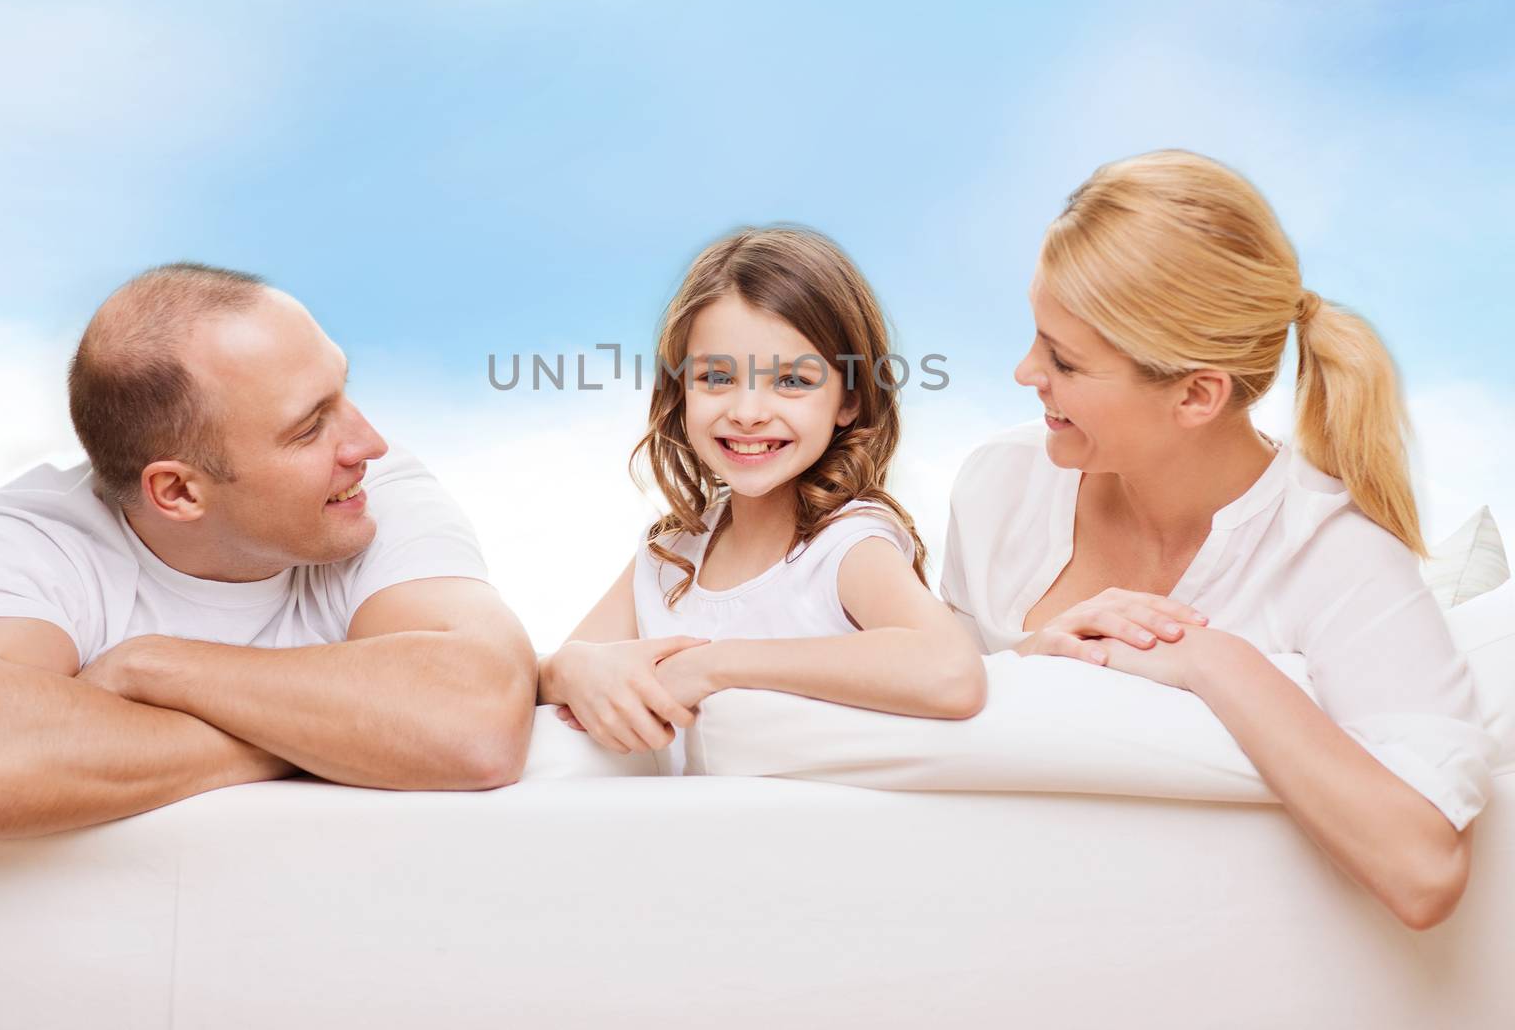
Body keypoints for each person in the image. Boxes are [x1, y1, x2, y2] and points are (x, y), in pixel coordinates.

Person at [940, 150, 1494, 930]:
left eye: (1064, 360)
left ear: (1198, 394)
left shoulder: (1336, 557)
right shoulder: (1001, 485)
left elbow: (1424, 871)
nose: (1025, 370)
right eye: (1037, 337)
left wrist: (1214, 661)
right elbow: (941, 710)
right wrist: (1031, 660)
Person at [0, 262, 537, 839]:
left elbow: (477, 721)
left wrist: (155, 667)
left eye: (343, 390)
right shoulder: (20, 542)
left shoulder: (368, 492)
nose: (368, 442)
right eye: (309, 426)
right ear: (180, 491)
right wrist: (343, 738)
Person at [539, 225, 984, 772]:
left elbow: (953, 672)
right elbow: (549, 676)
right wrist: (570, 670)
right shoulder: (672, 556)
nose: (748, 411)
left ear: (849, 400)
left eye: (792, 381)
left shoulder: (847, 546)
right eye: (717, 377)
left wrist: (719, 665)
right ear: (682, 394)